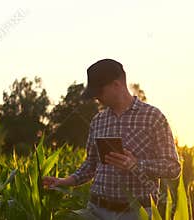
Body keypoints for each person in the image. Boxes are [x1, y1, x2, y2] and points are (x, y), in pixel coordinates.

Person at [43, 59, 181, 220]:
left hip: (137, 213)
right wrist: (63, 181)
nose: (96, 97)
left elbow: (173, 167)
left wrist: (136, 164)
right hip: (96, 210)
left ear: (116, 85)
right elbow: (90, 165)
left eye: (99, 92)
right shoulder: (98, 121)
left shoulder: (153, 117)